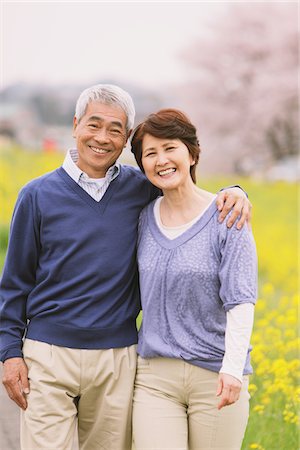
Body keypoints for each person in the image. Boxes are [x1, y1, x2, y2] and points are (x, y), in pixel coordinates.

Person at [0, 85, 251, 450]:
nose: (102, 138)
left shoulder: (142, 189)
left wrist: (235, 191)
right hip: (47, 354)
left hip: (118, 357)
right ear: (75, 125)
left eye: (115, 129)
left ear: (126, 137)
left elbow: (187, 198)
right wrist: (9, 354)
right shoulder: (36, 195)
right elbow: (15, 283)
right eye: (94, 125)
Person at [130, 108, 257, 450]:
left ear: (192, 153)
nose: (162, 160)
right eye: (150, 154)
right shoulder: (141, 219)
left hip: (215, 376)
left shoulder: (228, 216)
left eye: (170, 148)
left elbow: (241, 300)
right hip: (154, 377)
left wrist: (232, 369)